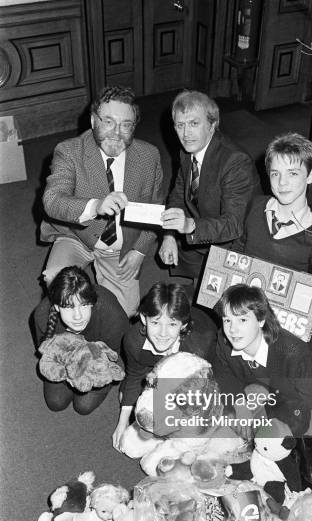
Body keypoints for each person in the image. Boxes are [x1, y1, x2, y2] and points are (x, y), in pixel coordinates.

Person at [40, 85, 163, 317]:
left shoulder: (149, 156)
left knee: (124, 314)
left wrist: (139, 250)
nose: (116, 133)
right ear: (93, 120)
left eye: (126, 125)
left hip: (120, 246)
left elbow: (155, 209)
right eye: (108, 121)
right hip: (76, 235)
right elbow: (53, 199)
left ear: (134, 126)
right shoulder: (69, 151)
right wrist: (95, 206)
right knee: (57, 282)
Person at [159, 89, 260, 282]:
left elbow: (233, 225)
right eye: (180, 125)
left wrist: (190, 225)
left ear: (212, 125)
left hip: (234, 244)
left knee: (222, 304)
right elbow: (178, 195)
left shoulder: (235, 161)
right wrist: (169, 235)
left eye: (194, 124)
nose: (186, 134)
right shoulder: (187, 152)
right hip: (201, 228)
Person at [112, 282, 216, 451]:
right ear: (143, 318)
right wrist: (121, 423)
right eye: (155, 323)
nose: (162, 333)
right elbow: (134, 375)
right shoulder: (133, 339)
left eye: (172, 324)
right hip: (155, 367)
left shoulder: (199, 349)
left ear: (183, 324)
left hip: (193, 375)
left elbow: (208, 392)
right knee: (130, 409)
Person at [212, 284, 312, 437]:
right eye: (227, 320)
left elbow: (311, 409)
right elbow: (222, 369)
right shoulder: (224, 340)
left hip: (298, 408)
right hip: (261, 395)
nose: (233, 330)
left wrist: (270, 426)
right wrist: (239, 403)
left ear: (261, 321)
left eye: (243, 320)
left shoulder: (295, 355)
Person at [238, 132, 312, 284]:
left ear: (310, 176)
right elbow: (239, 245)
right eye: (275, 174)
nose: (282, 182)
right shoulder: (254, 206)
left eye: (293, 173)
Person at [33, 266, 129, 415]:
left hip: (98, 360)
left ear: (91, 302)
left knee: (83, 406)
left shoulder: (113, 315)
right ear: (57, 307)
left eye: (83, 305)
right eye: (69, 307)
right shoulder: (42, 315)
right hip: (65, 360)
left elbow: (116, 353)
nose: (78, 317)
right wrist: (69, 373)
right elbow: (48, 354)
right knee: (55, 402)